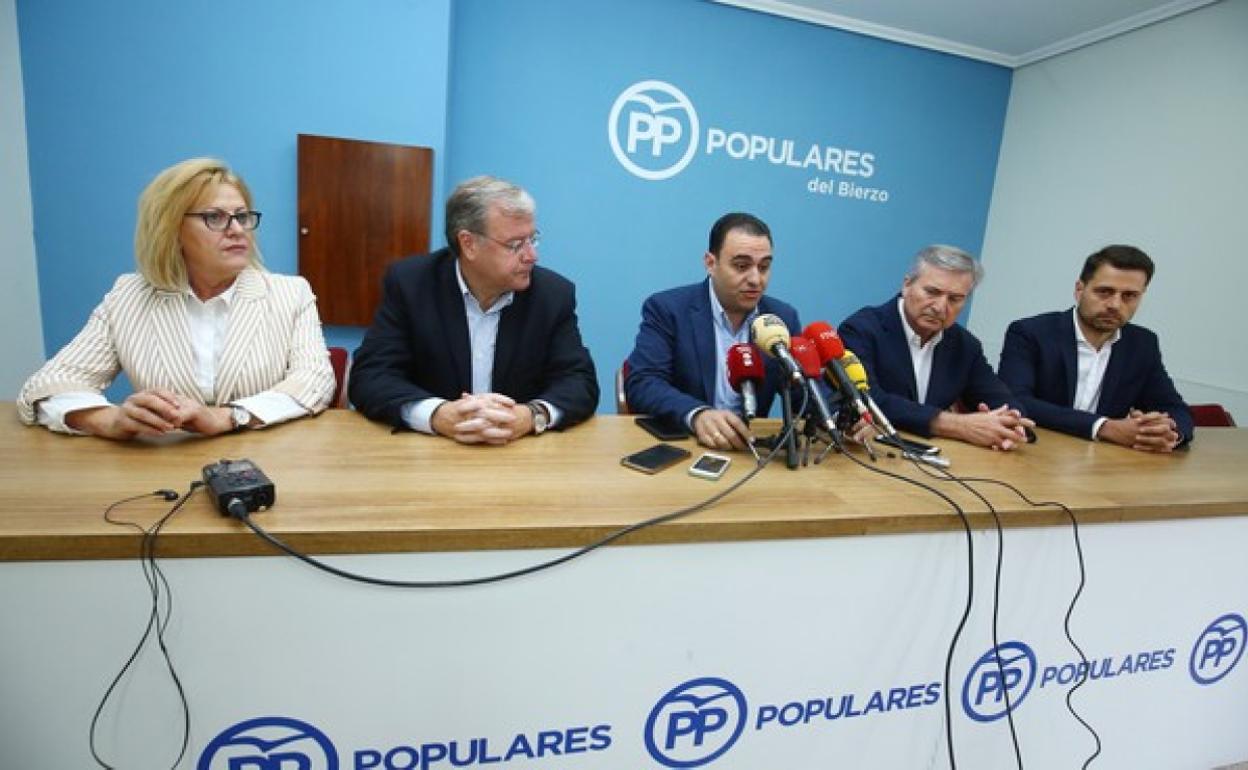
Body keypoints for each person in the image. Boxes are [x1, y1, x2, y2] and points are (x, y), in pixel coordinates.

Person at [17, 158, 335, 439]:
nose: (237, 229)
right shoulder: (129, 296)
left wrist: (227, 416)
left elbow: (315, 382)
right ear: (172, 228)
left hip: (268, 463)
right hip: (162, 468)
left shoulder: (290, 293)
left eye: (242, 216)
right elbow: (47, 386)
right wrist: (110, 420)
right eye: (215, 217)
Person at [349, 176, 598, 443]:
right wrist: (437, 415)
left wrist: (530, 416)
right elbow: (370, 377)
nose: (531, 256)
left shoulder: (552, 295)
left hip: (518, 455)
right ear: (469, 244)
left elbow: (579, 382)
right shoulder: (411, 285)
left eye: (532, 239)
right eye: (515, 245)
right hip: (429, 454)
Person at [624, 212, 801, 452]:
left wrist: (844, 415)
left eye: (764, 267)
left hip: (751, 451)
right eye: (741, 266)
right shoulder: (668, 309)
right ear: (710, 263)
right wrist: (697, 415)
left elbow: (804, 393)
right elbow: (643, 382)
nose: (755, 279)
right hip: (686, 446)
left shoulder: (781, 319)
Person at [998, 245, 1192, 451]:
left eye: (1129, 296)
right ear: (1079, 290)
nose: (1115, 305)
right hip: (1036, 452)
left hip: (1102, 462)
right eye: (1105, 292)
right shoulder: (1030, 332)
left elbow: (1175, 409)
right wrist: (1103, 427)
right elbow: (1015, 400)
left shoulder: (1143, 344)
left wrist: (1168, 432)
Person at [838, 245, 1033, 450]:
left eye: (955, 299)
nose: (940, 307)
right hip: (876, 452)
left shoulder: (965, 345)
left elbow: (1001, 397)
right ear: (906, 285)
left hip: (934, 458)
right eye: (932, 292)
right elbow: (867, 400)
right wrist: (959, 426)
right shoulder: (861, 329)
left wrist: (1011, 424)